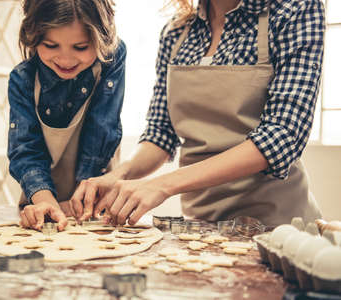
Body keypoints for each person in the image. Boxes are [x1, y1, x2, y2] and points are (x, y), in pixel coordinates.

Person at [70, 0, 324, 227]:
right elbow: (160, 134)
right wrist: (118, 175)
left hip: (275, 226)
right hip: (200, 226)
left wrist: (163, 184)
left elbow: (281, 138)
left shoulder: (295, 10)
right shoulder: (177, 32)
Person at [7, 0, 126, 231]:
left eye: (80, 47)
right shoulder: (22, 79)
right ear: (33, 37)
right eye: (51, 46)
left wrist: (83, 198)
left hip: (97, 199)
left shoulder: (111, 59)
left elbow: (102, 128)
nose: (66, 59)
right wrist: (47, 203)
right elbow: (25, 151)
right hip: (42, 202)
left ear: (101, 38)